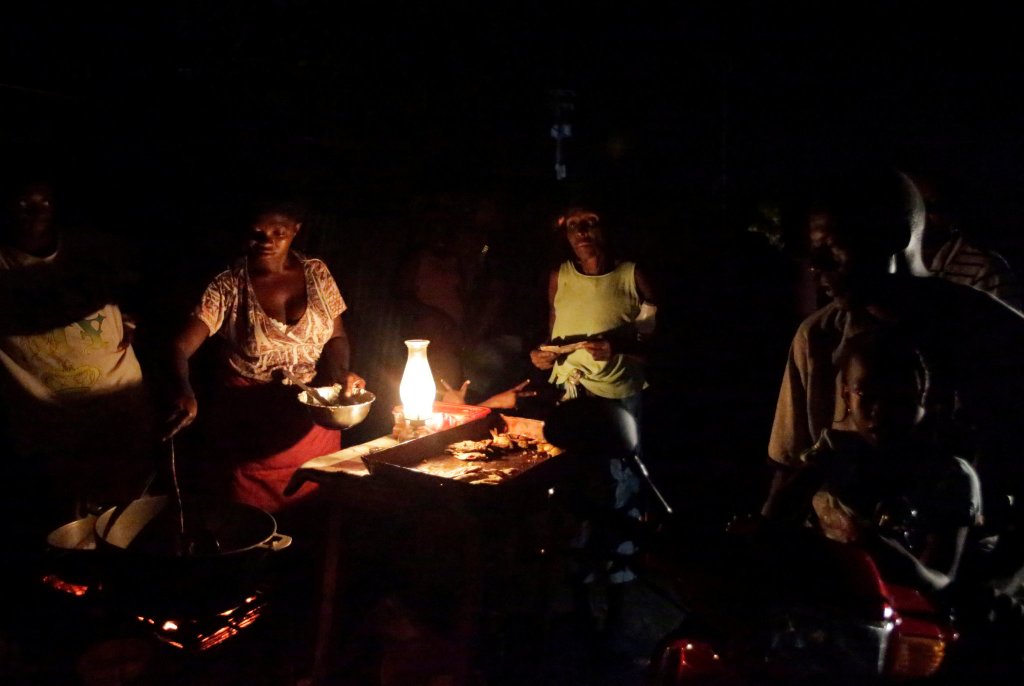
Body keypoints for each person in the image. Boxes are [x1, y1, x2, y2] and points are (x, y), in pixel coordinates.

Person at [763, 167, 1024, 594]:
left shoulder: (992, 335)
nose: (816, 266)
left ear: (894, 236)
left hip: (965, 598)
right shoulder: (818, 340)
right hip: (846, 597)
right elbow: (788, 468)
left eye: (832, 247)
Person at [164, 201, 365, 513]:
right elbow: (178, 347)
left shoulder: (317, 273)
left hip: (312, 429)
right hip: (251, 432)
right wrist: (184, 390)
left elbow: (336, 336)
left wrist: (340, 374)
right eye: (256, 234)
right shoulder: (228, 285)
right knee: (251, 532)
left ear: (296, 230)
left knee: (312, 526)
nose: (266, 241)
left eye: (278, 232)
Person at [765, 331, 981, 593]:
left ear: (923, 397)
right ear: (846, 395)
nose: (880, 411)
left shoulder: (949, 477)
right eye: (866, 395)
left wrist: (886, 555)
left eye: (898, 399)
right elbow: (771, 524)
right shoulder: (832, 455)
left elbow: (942, 583)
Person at [0, 178, 154, 532]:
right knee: (69, 530)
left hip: (122, 406)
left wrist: (135, 311)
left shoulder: (90, 250)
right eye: (24, 204)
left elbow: (144, 286)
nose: (35, 213)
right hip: (50, 422)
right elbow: (29, 318)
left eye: (44, 203)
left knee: (129, 524)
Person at [528, 206, 657, 423]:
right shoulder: (560, 276)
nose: (581, 231)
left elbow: (656, 348)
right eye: (572, 225)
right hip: (571, 391)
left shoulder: (632, 275)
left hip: (619, 394)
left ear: (607, 228)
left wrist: (618, 347)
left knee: (621, 455)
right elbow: (553, 335)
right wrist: (542, 355)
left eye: (591, 221)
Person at [901, 171, 1022, 311]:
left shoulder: (984, 269)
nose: (920, 215)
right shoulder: (890, 259)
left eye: (932, 207)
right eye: (911, 204)